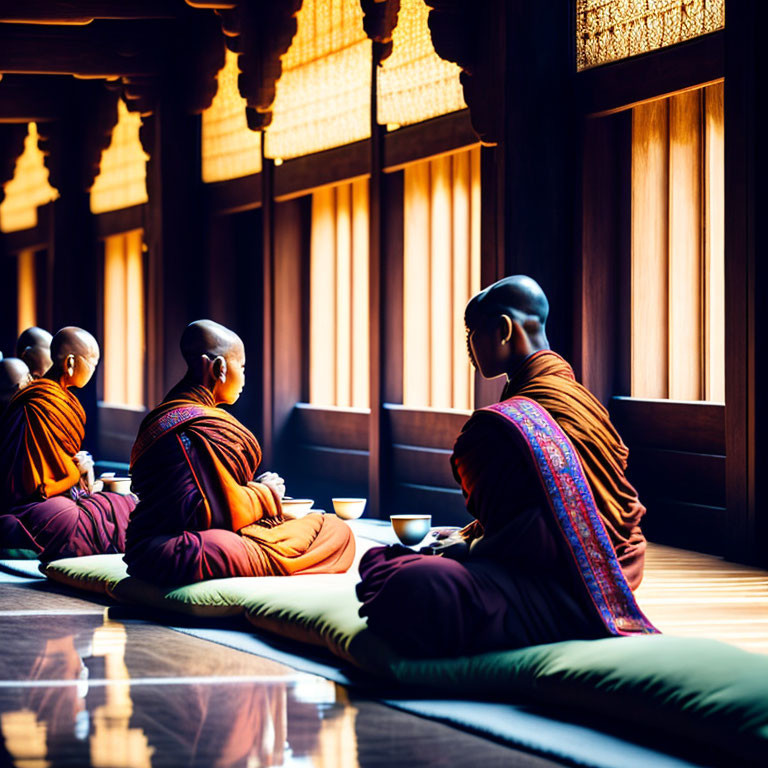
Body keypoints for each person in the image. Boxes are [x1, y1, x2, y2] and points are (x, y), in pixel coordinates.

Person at [356, 276, 656, 658]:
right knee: (419, 561)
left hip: (549, 580)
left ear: (503, 330)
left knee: (402, 579)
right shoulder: (585, 403)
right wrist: (470, 539)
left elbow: (536, 537)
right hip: (618, 574)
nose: (468, 346)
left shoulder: (494, 428)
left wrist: (471, 549)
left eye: (471, 332)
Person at [124, 320, 355, 585]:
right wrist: (267, 493)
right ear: (219, 368)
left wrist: (250, 490)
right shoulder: (196, 424)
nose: (244, 378)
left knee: (320, 527)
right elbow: (205, 514)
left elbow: (206, 494)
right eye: (241, 367)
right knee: (336, 531)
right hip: (185, 549)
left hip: (144, 550)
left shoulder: (163, 417)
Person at [0, 327, 134, 560]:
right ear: (71, 363)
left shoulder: (66, 400)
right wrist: (76, 470)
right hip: (37, 501)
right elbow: (30, 479)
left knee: (125, 504)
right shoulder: (34, 403)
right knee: (71, 520)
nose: (94, 370)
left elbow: (60, 458)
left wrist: (83, 471)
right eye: (92, 363)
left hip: (68, 493)